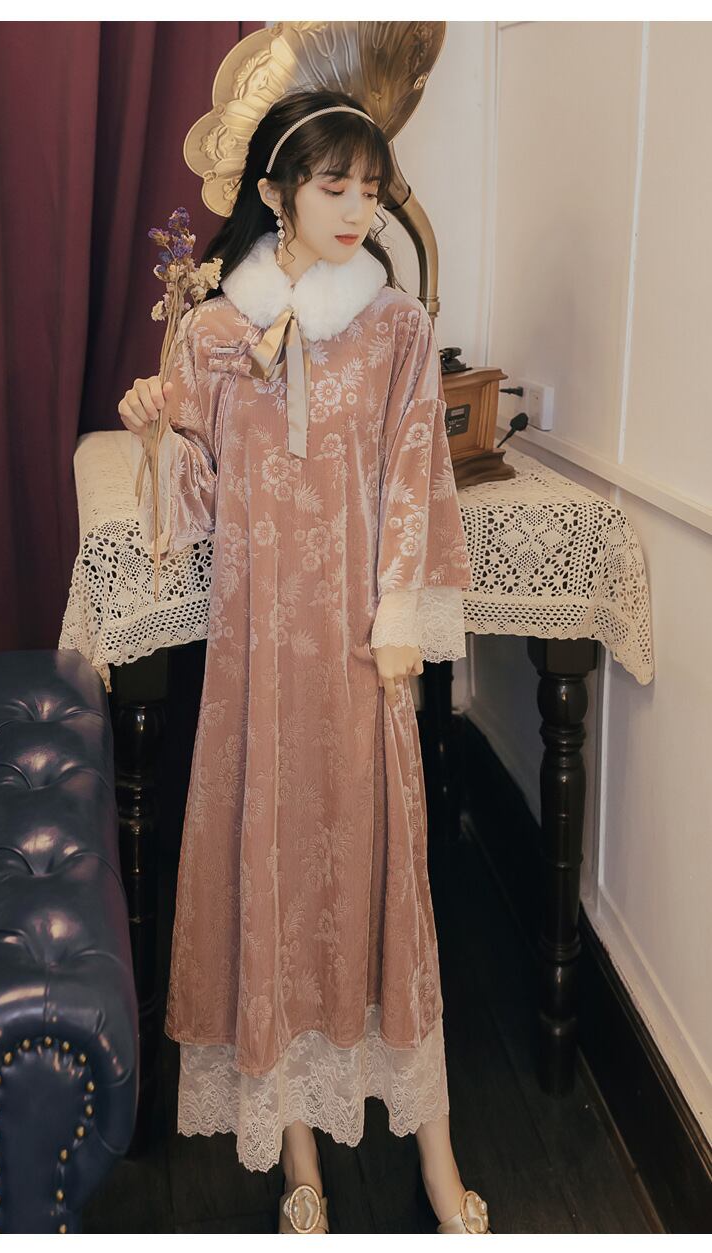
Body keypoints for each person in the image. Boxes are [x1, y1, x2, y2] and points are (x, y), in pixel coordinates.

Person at [118, 88, 491, 1236]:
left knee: (386, 885)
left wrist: (397, 619)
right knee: (271, 877)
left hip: (359, 656)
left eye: (369, 187)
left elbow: (417, 477)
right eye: (334, 185)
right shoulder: (212, 332)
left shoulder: (396, 327)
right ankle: (297, 1147)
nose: (357, 208)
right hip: (255, 667)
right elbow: (189, 513)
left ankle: (433, 1149)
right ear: (277, 193)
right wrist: (159, 429)